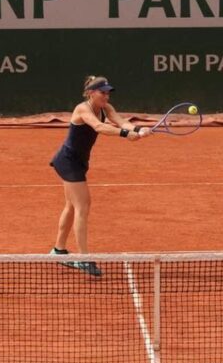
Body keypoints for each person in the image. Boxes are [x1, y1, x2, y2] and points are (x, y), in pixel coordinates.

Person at [49, 75, 151, 276]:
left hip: (79, 162)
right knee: (83, 206)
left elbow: (121, 122)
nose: (106, 96)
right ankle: (84, 259)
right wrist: (125, 135)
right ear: (90, 93)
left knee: (71, 206)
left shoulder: (106, 108)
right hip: (68, 161)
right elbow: (99, 127)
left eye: (108, 93)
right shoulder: (82, 109)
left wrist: (139, 129)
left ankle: (58, 250)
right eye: (102, 92)